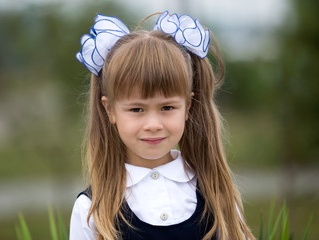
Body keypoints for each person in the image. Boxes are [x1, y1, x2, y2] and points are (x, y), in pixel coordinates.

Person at [70, 11, 255, 240]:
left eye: (167, 108)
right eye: (137, 109)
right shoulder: (91, 209)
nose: (153, 124)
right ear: (110, 110)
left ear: (188, 106)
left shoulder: (218, 195)